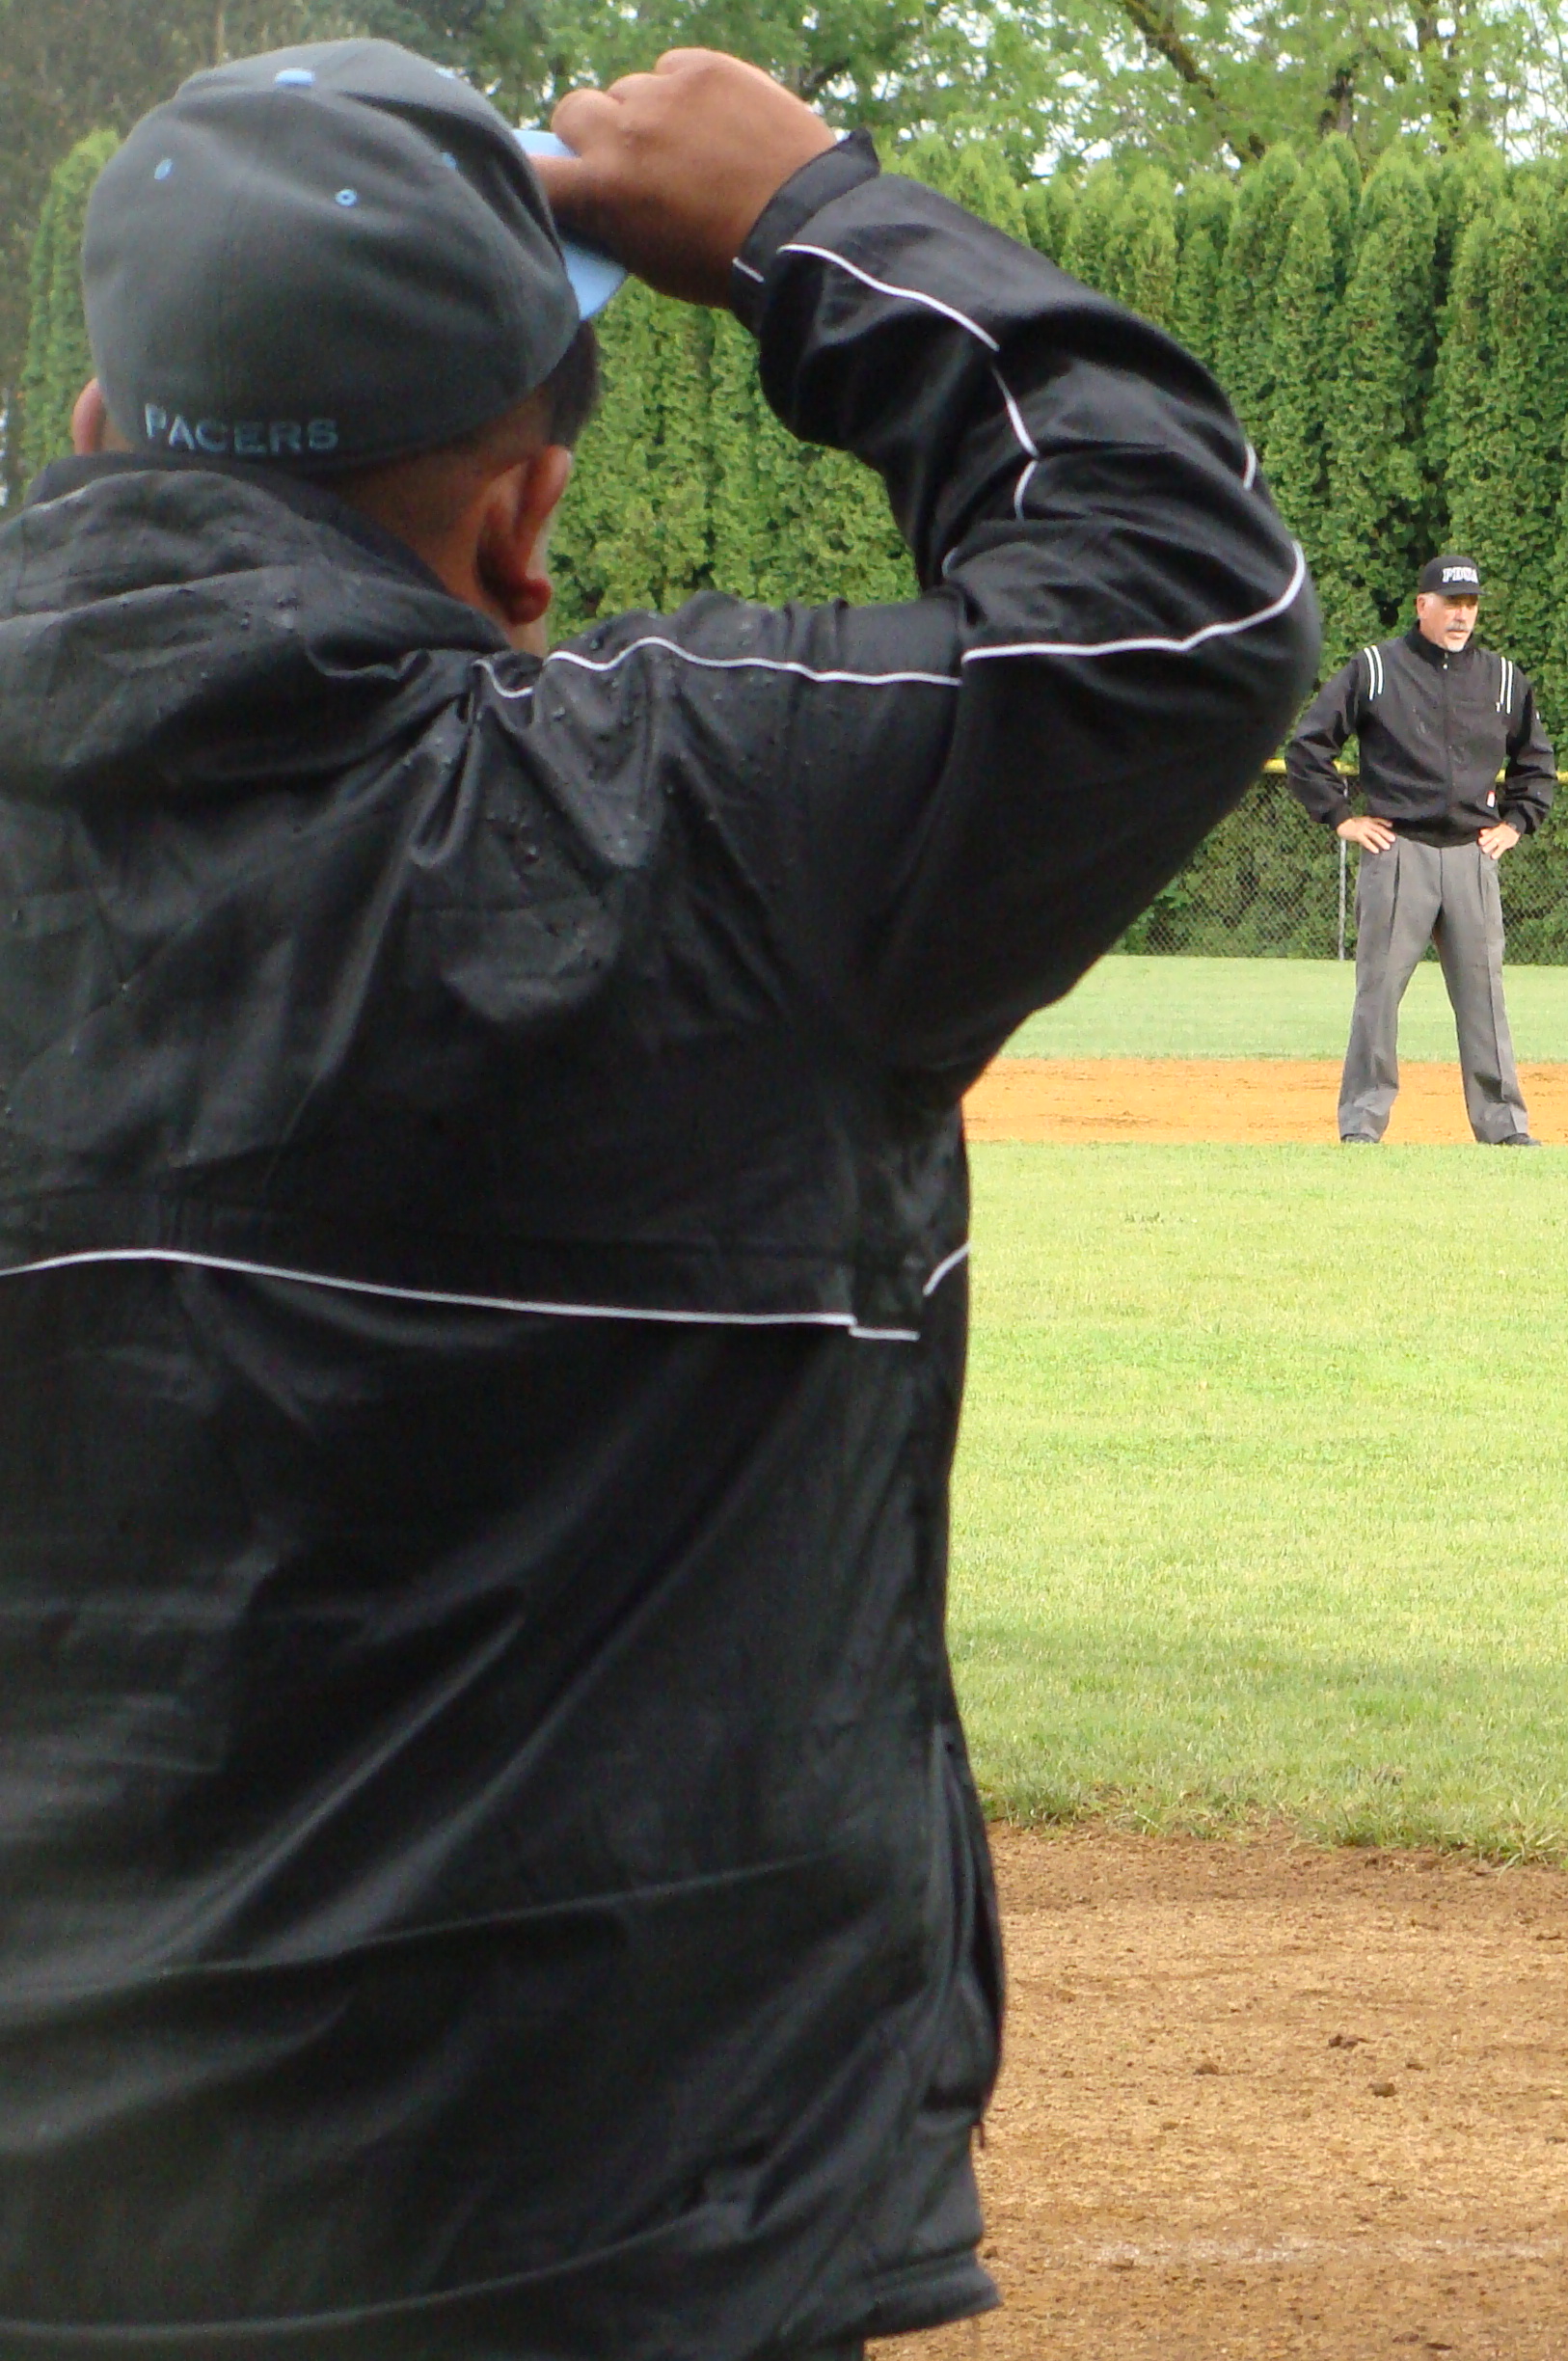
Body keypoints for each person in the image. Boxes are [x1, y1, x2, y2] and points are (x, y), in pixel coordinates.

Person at [0, 40, 1313, 2357]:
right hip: (623, 2226)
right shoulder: (695, 821)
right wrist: (816, 223)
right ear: (525, 518)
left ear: (97, 433)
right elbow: (1174, 604)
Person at [1284, 554, 1556, 1145]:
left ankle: (1504, 1126)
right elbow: (1308, 747)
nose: (1462, 615)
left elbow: (1536, 763)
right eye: (1451, 603)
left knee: (1484, 999)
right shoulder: (1376, 669)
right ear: (1422, 605)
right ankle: (1362, 1122)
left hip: (1472, 857)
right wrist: (1341, 818)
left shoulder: (1503, 679)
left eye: (1471, 604)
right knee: (1378, 995)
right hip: (1398, 852)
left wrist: (1516, 822)